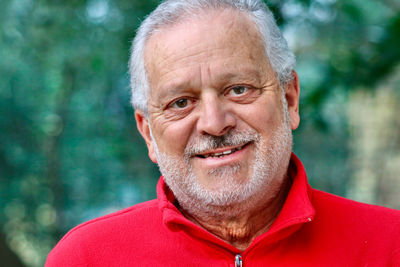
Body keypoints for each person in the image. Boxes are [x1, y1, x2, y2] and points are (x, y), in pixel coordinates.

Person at [46, 0, 400, 266]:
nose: (214, 124)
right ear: (148, 133)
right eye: (181, 102)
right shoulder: (86, 258)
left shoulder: (390, 246)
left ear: (289, 99)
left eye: (239, 89)